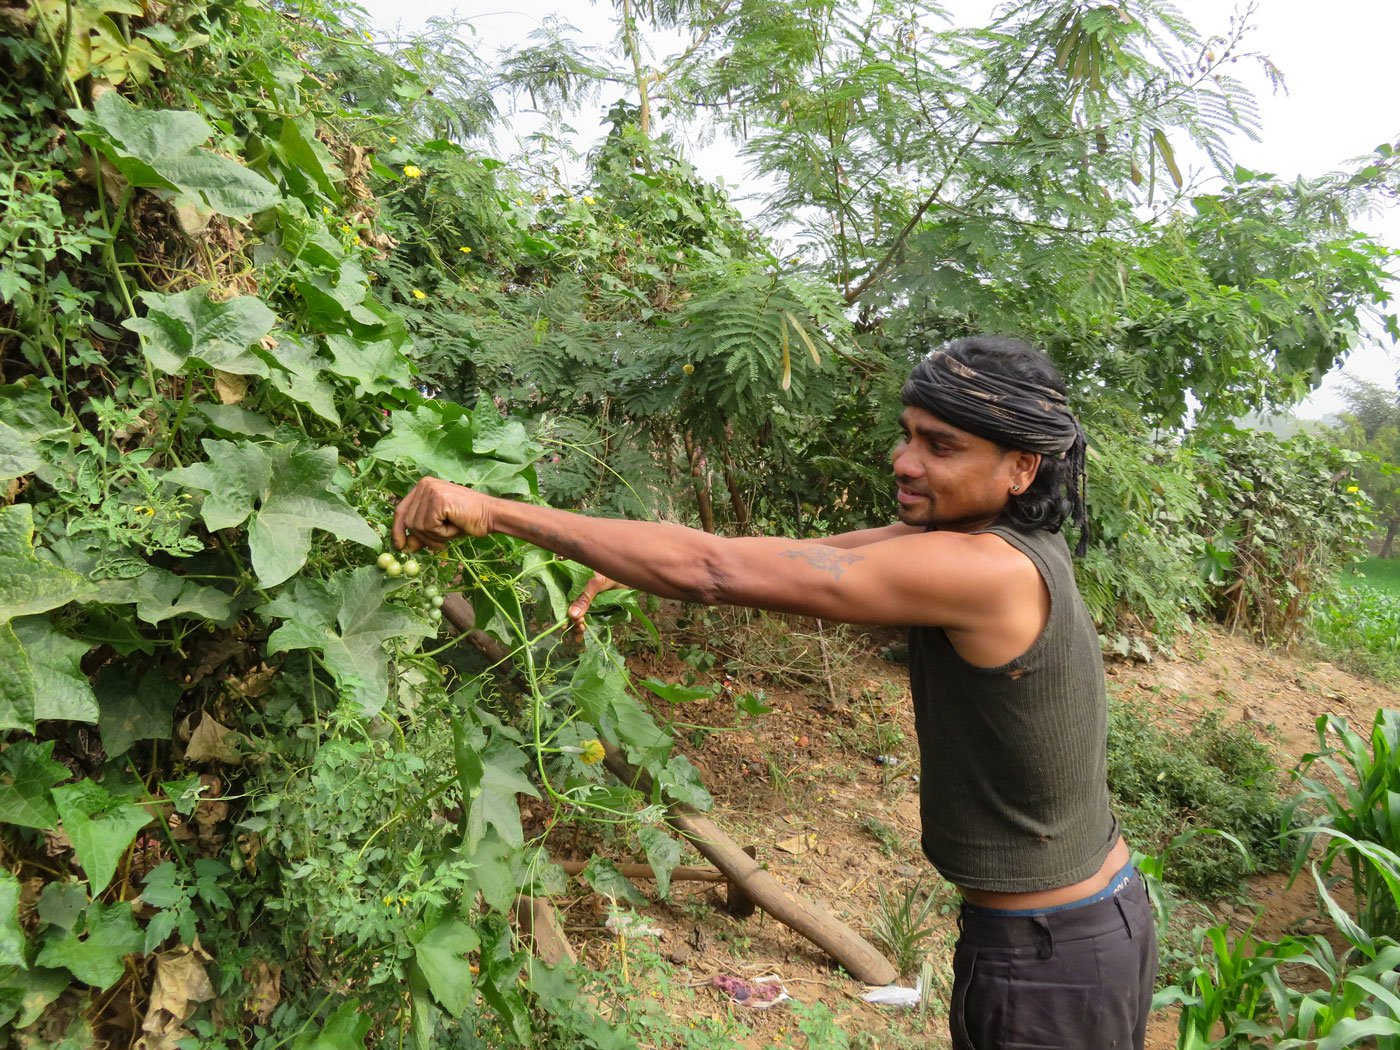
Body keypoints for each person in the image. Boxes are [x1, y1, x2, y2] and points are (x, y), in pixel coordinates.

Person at [392, 335, 1158, 1049]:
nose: (905, 460)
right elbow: (791, 555)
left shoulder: (986, 571)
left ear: (1021, 467)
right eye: (909, 434)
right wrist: (620, 555)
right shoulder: (990, 541)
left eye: (941, 446)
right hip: (1070, 931)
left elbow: (714, 573)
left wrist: (494, 511)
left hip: (1053, 957)